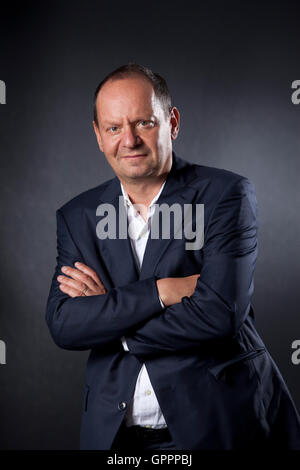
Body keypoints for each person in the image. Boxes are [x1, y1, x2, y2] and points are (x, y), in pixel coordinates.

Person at [46, 63, 300, 450]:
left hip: (216, 426)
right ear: (98, 136)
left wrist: (110, 321)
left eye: (143, 123)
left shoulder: (224, 195)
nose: (128, 140)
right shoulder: (78, 216)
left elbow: (219, 315)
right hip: (114, 436)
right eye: (114, 128)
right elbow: (65, 324)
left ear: (172, 122)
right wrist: (162, 292)